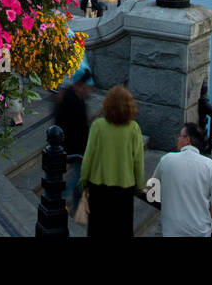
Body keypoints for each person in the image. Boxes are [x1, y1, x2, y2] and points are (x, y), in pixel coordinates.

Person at [79, 85, 145, 237]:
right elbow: (138, 162)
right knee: (122, 230)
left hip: (99, 187)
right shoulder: (134, 129)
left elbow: (88, 158)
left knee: (98, 229)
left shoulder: (98, 126)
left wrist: (83, 182)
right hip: (124, 189)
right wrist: (139, 185)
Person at [151, 122, 212, 237]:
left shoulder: (167, 159)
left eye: (180, 136)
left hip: (171, 230)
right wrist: (208, 220)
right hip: (199, 230)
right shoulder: (209, 165)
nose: (178, 138)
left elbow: (151, 188)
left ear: (187, 139)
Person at [53, 69, 93, 213]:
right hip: (74, 148)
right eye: (85, 86)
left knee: (76, 179)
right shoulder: (72, 101)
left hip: (71, 147)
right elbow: (77, 127)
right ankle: (71, 205)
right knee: (76, 180)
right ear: (78, 85)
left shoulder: (71, 98)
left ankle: (72, 204)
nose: (88, 90)